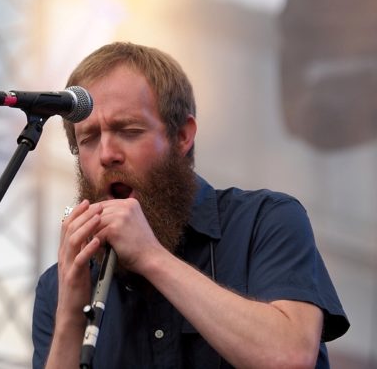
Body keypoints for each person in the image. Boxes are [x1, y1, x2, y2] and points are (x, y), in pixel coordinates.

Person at [32, 42, 349, 368]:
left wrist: (150, 256)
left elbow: (290, 356)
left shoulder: (266, 221)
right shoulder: (57, 285)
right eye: (88, 139)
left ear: (182, 135)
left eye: (129, 130)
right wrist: (70, 314)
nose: (106, 154)